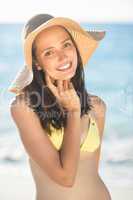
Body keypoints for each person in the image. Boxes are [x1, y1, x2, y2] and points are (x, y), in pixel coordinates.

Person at [8, 14, 112, 200]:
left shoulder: (96, 106)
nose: (63, 56)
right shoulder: (23, 107)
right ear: (37, 63)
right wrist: (73, 111)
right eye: (49, 52)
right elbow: (66, 178)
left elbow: (92, 172)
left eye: (66, 45)